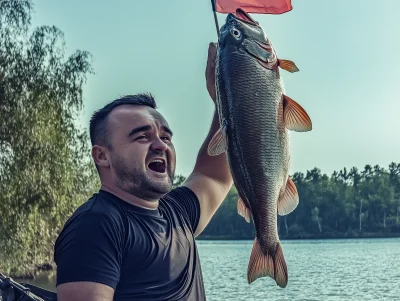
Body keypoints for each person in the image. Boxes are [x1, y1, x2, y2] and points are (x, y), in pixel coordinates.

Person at [54, 42, 233, 301]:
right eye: (142, 137)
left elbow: (214, 176)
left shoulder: (177, 212)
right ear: (102, 156)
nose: (161, 145)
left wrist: (225, 99)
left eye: (165, 136)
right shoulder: (95, 225)